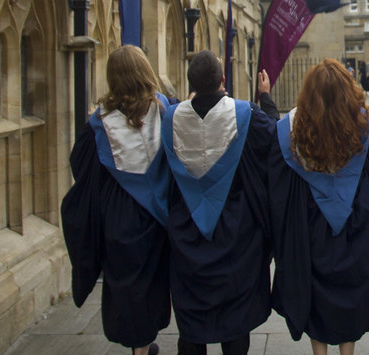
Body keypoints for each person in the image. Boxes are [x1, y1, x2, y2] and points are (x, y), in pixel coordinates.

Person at [162, 50, 277, 355]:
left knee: (191, 320)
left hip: (188, 234)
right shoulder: (246, 114)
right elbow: (274, 141)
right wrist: (266, 98)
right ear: (224, 80)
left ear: (192, 85)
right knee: (235, 323)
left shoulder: (171, 118)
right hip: (235, 233)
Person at [61, 45, 171, 355]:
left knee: (127, 288)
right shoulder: (163, 111)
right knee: (151, 284)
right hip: (156, 217)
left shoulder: (98, 123)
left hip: (118, 216)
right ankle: (143, 346)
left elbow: (79, 166)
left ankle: (139, 347)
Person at [268, 59, 369, 354]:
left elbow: (277, 188)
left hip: (310, 224)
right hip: (356, 221)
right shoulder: (363, 124)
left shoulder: (290, 129)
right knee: (352, 290)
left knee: (314, 291)